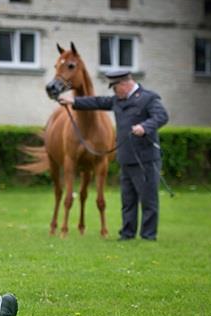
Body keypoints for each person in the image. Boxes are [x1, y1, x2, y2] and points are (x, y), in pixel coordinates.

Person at [58, 69, 169, 240]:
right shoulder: (118, 100)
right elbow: (97, 102)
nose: (113, 92)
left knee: (148, 200)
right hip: (126, 158)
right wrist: (74, 101)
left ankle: (148, 235)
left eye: (114, 87)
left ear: (124, 84)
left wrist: (145, 127)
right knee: (127, 200)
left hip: (146, 159)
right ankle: (127, 233)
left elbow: (162, 116)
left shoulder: (148, 98)